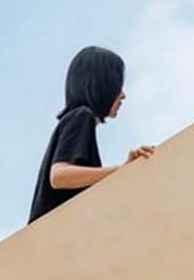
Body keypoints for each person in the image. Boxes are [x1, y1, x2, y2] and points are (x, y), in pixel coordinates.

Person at [28, 45, 155, 224]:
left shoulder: (77, 119)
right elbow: (59, 176)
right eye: (117, 85)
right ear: (102, 85)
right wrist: (121, 170)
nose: (123, 95)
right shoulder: (82, 116)